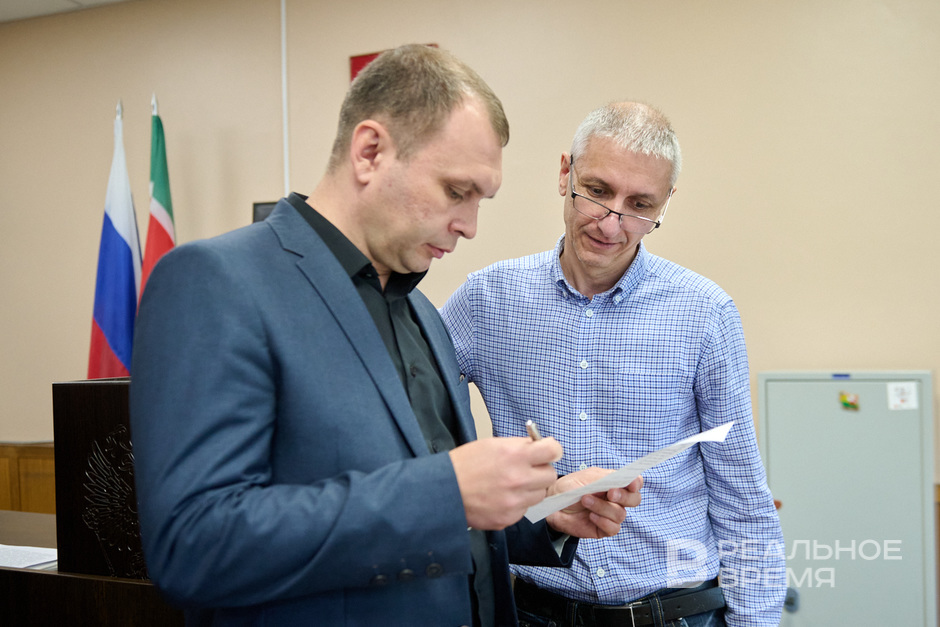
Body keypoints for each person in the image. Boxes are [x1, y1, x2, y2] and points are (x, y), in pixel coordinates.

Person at [129, 45, 642, 627]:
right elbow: (193, 545)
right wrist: (446, 493)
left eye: (480, 200)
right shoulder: (217, 282)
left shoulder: (423, 311)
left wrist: (542, 513)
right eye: (456, 191)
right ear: (370, 152)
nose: (470, 226)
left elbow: (440, 529)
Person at [440, 101, 786, 626]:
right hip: (534, 612)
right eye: (597, 191)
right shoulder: (487, 301)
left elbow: (742, 497)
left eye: (640, 204)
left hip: (674, 613)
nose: (611, 222)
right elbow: (405, 419)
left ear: (665, 204)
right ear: (565, 173)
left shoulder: (704, 313)